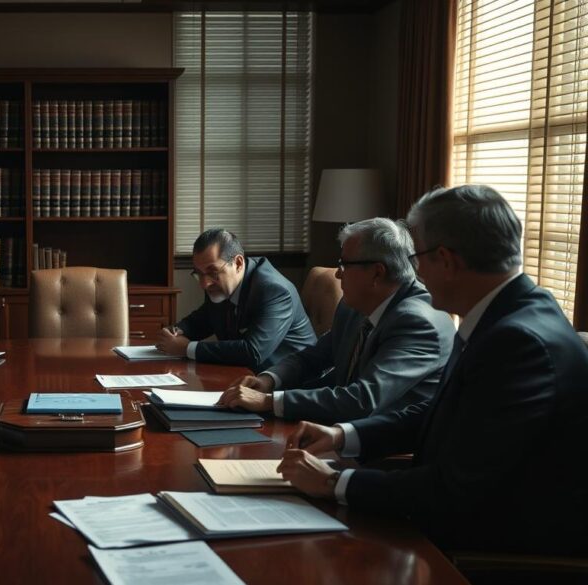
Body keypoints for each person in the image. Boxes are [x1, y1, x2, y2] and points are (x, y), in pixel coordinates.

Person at [277, 185, 588, 555]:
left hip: (503, 548)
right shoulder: (506, 313)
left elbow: (454, 489)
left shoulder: (518, 341)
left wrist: (333, 482)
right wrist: (343, 434)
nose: (414, 271)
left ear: (446, 259)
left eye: (418, 257)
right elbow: (441, 413)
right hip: (464, 514)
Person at [219, 218, 455, 423]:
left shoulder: (418, 322)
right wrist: (269, 380)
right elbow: (314, 357)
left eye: (345, 264)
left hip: (386, 447)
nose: (338, 273)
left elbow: (363, 399)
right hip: (341, 426)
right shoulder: (353, 306)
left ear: (377, 272)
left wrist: (269, 402)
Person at [156, 228, 316, 369]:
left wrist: (187, 348)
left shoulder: (274, 290)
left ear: (238, 263)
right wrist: (175, 332)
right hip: (244, 376)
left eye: (212, 272)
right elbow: (203, 319)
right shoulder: (218, 284)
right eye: (199, 273)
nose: (204, 284)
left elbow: (253, 352)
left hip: (289, 384)